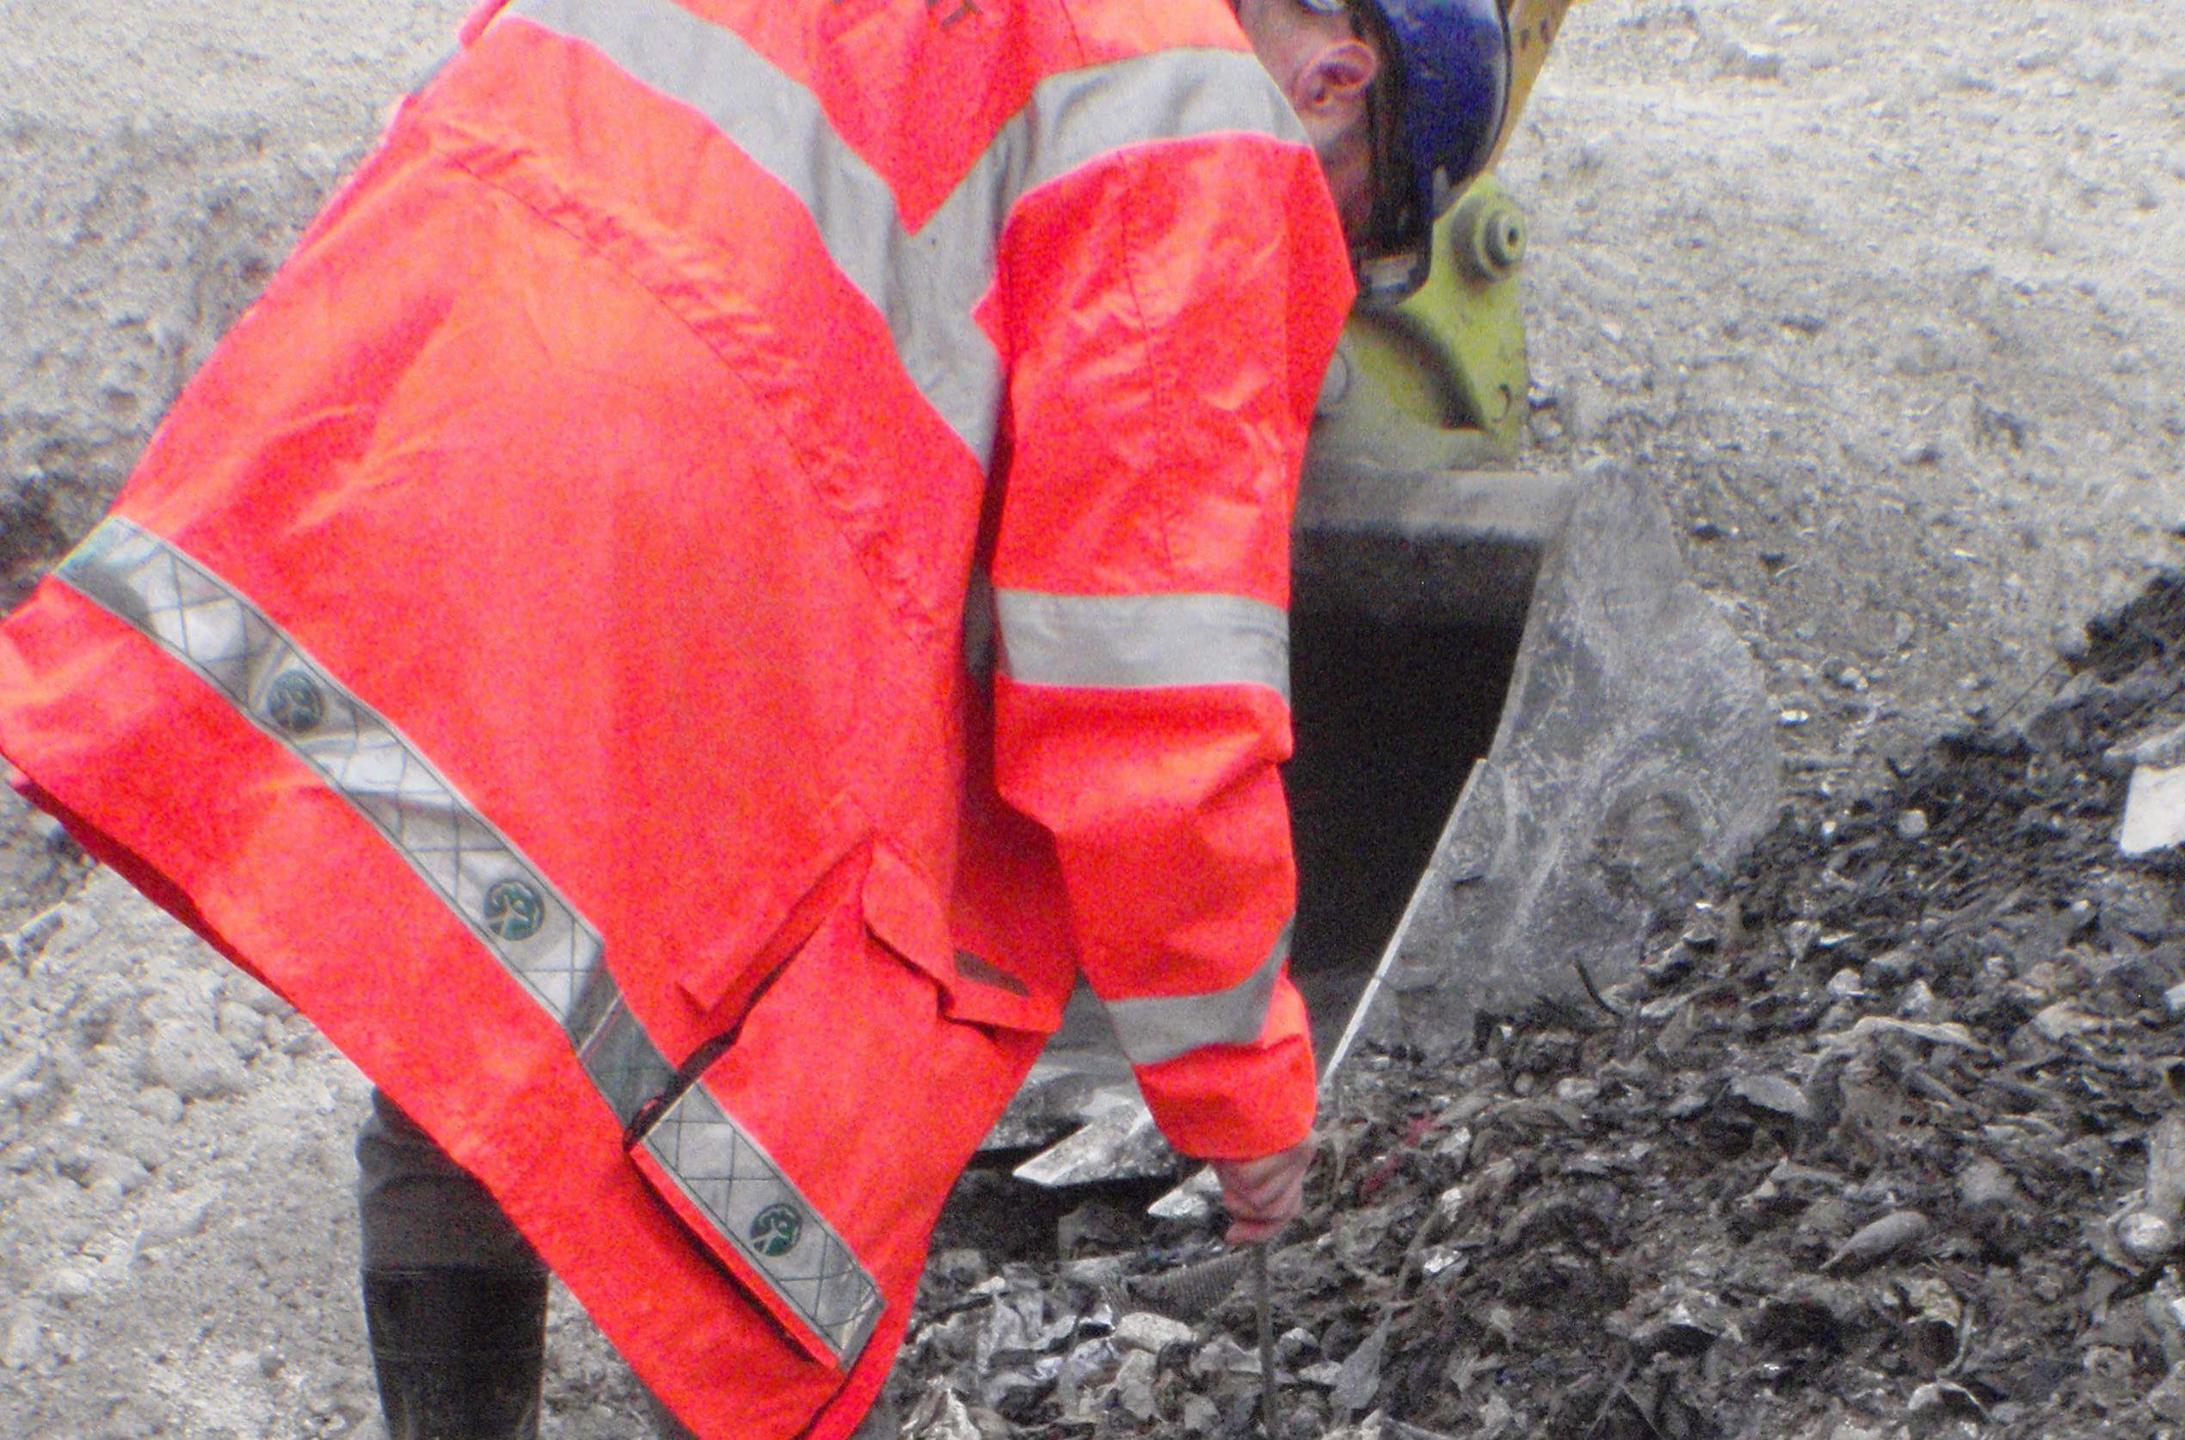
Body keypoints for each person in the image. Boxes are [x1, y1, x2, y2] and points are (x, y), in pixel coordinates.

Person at [0, 0, 1509, 1435]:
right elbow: (1143, 680)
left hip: (423, 395)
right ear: (1338, 87)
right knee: (767, 1116)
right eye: (1356, 223)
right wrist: (1239, 1083)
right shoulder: (1207, 116)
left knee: (459, 988)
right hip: (707, 521)